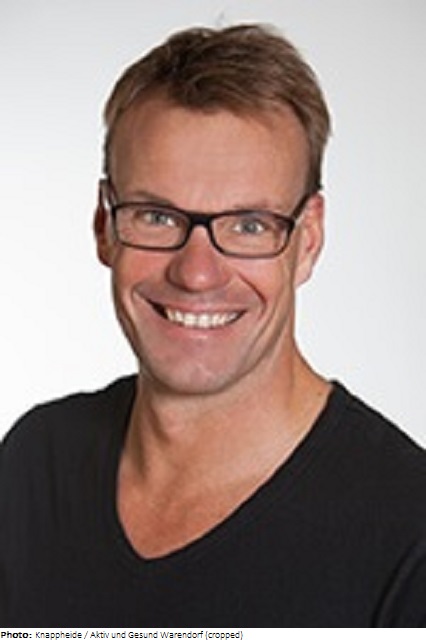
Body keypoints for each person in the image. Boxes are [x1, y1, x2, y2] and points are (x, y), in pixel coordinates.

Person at [1, 23, 425, 628]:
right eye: (156, 215)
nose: (197, 273)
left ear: (308, 241)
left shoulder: (407, 534)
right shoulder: (33, 467)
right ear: (104, 225)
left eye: (249, 225)